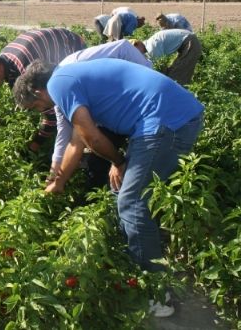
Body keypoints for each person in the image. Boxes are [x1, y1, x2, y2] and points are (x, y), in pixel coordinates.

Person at [13, 58, 204, 317]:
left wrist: (118, 160)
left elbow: (92, 137)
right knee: (121, 189)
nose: (40, 110)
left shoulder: (59, 84)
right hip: (166, 118)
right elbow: (76, 142)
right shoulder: (69, 78)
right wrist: (58, 182)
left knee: (132, 203)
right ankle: (136, 258)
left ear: (37, 91)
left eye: (35, 106)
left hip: (164, 122)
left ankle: (158, 293)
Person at [51, 40, 153, 188]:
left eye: (36, 105)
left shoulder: (75, 64)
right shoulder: (58, 97)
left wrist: (147, 74)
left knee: (130, 165)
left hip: (136, 99)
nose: (41, 110)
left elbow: (123, 47)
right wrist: (54, 175)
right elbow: (66, 136)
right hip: (112, 107)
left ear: (40, 92)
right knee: (97, 160)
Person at [0, 28, 86, 152]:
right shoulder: (5, 59)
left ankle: (81, 142)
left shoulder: (25, 70)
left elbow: (51, 113)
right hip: (53, 42)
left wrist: (36, 143)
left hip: (71, 45)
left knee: (71, 101)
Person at [131, 29, 202, 86]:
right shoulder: (149, 45)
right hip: (187, 42)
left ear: (138, 44)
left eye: (135, 50)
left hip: (190, 42)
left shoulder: (152, 47)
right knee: (175, 74)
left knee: (175, 78)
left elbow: (160, 67)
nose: (137, 53)